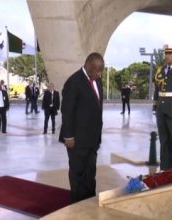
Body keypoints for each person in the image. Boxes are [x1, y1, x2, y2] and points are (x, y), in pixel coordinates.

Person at [59, 52, 104, 203]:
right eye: (97, 70)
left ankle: (89, 201)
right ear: (89, 65)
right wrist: (68, 136)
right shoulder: (74, 82)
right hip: (76, 139)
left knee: (90, 171)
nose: (99, 74)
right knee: (78, 172)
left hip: (92, 138)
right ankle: (77, 203)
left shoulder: (97, 81)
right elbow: (67, 111)